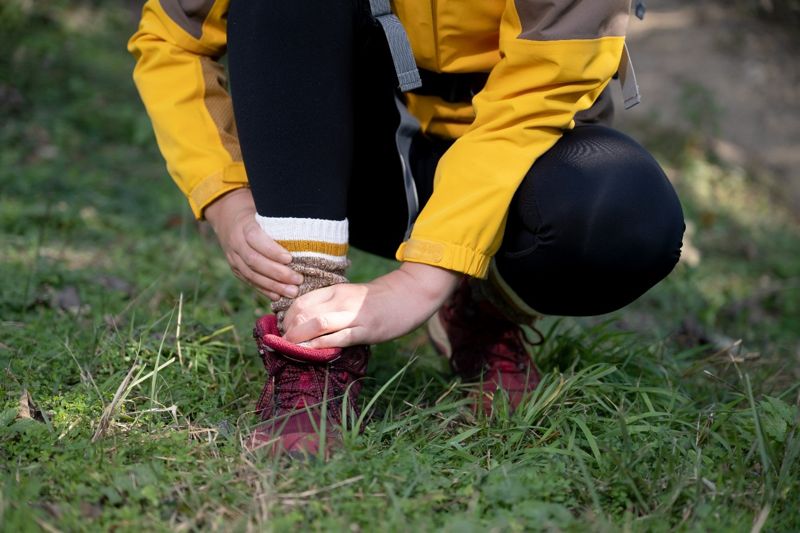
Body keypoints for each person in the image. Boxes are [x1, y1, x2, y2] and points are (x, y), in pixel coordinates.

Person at [128, 0, 684, 456]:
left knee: (624, 216)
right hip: (353, 152)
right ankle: (312, 340)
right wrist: (224, 195)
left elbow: (536, 101)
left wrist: (425, 277)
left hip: (519, 160)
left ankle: (481, 307)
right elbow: (170, 38)